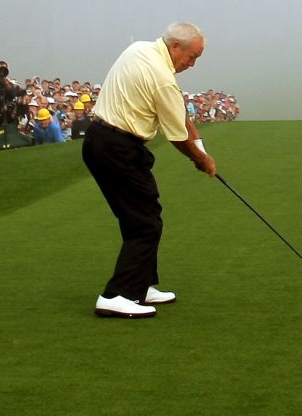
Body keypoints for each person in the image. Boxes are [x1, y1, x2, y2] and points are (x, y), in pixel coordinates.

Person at [84, 22, 216, 319]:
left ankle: (139, 285)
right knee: (145, 223)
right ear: (174, 47)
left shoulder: (139, 49)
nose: (192, 64)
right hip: (117, 147)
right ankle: (117, 295)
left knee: (143, 214)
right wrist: (201, 159)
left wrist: (201, 147)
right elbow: (178, 136)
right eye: (192, 57)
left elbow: (179, 113)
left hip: (104, 141)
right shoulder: (162, 78)